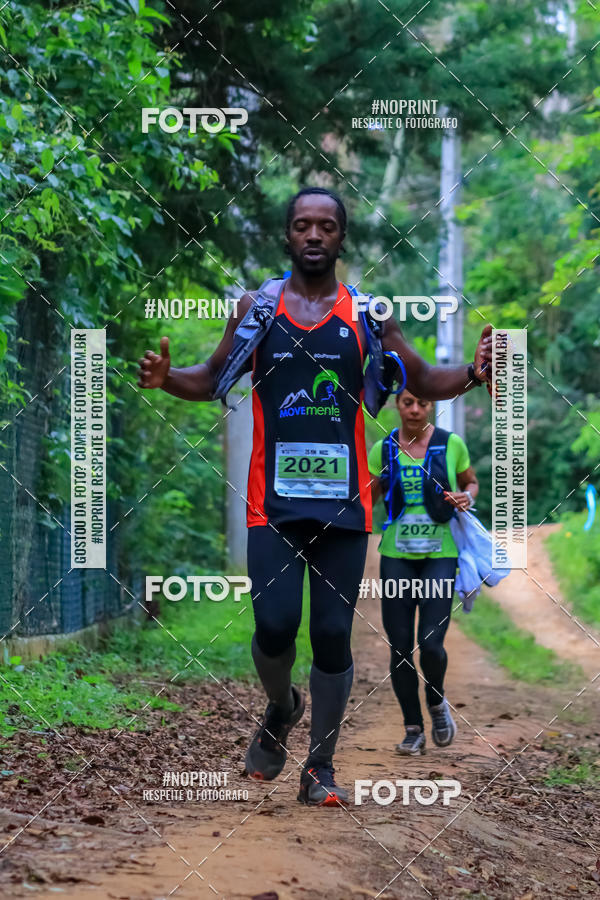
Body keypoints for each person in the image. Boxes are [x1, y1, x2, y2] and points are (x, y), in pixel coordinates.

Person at [137, 186, 492, 806]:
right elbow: (211, 375)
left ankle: (319, 768)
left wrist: (472, 372)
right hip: (270, 505)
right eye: (302, 224)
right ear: (287, 236)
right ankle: (282, 706)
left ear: (341, 237)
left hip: (346, 509)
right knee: (274, 629)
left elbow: (424, 377)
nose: (313, 235)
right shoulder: (259, 310)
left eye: (326, 226)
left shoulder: (367, 317)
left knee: (331, 636)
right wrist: (169, 382)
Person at [368, 390, 479, 756]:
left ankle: (436, 702)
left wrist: (468, 497)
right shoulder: (383, 449)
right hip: (396, 555)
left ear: (431, 406)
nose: (415, 409)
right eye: (407, 402)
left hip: (440, 555)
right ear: (396, 406)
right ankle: (412, 728)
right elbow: (366, 496)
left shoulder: (451, 444)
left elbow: (470, 482)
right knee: (400, 648)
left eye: (422, 403)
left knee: (431, 644)